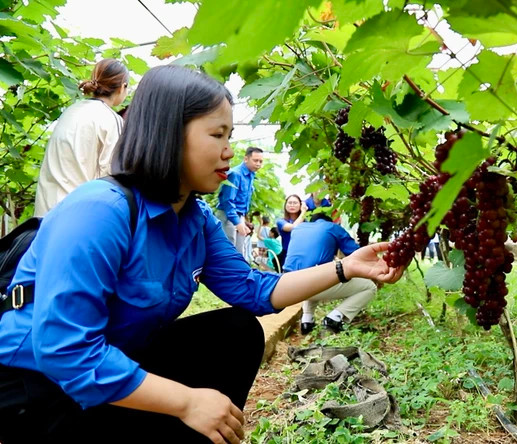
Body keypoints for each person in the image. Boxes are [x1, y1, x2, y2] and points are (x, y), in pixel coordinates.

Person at [0, 65, 403, 444]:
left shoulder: (194, 217)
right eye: (218, 135)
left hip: (114, 365)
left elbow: (254, 290)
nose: (229, 151)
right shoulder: (100, 210)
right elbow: (65, 351)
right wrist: (187, 402)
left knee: (235, 332)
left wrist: (345, 266)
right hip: (37, 389)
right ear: (168, 133)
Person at [34, 59, 129, 216]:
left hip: (45, 212)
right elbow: (111, 176)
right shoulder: (111, 119)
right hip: (76, 216)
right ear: (122, 87)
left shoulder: (71, 111)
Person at [283, 213, 378, 335]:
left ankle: (307, 321)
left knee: (313, 273)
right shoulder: (332, 227)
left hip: (287, 283)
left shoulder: (299, 228)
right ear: (329, 221)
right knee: (369, 287)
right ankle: (334, 318)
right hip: (311, 280)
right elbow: (356, 253)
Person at [215, 146, 264, 261]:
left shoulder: (251, 175)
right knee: (228, 250)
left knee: (239, 252)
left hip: (239, 216)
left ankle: (237, 277)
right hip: (227, 215)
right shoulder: (235, 174)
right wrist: (237, 222)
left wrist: (242, 220)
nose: (258, 164)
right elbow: (227, 201)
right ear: (246, 159)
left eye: (261, 161)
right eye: (255, 160)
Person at [276, 194, 308, 269]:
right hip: (287, 256)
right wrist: (303, 212)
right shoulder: (281, 221)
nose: (292, 205)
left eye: (295, 203)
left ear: (300, 205)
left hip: (303, 255)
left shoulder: (306, 222)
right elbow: (293, 227)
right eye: (290, 203)